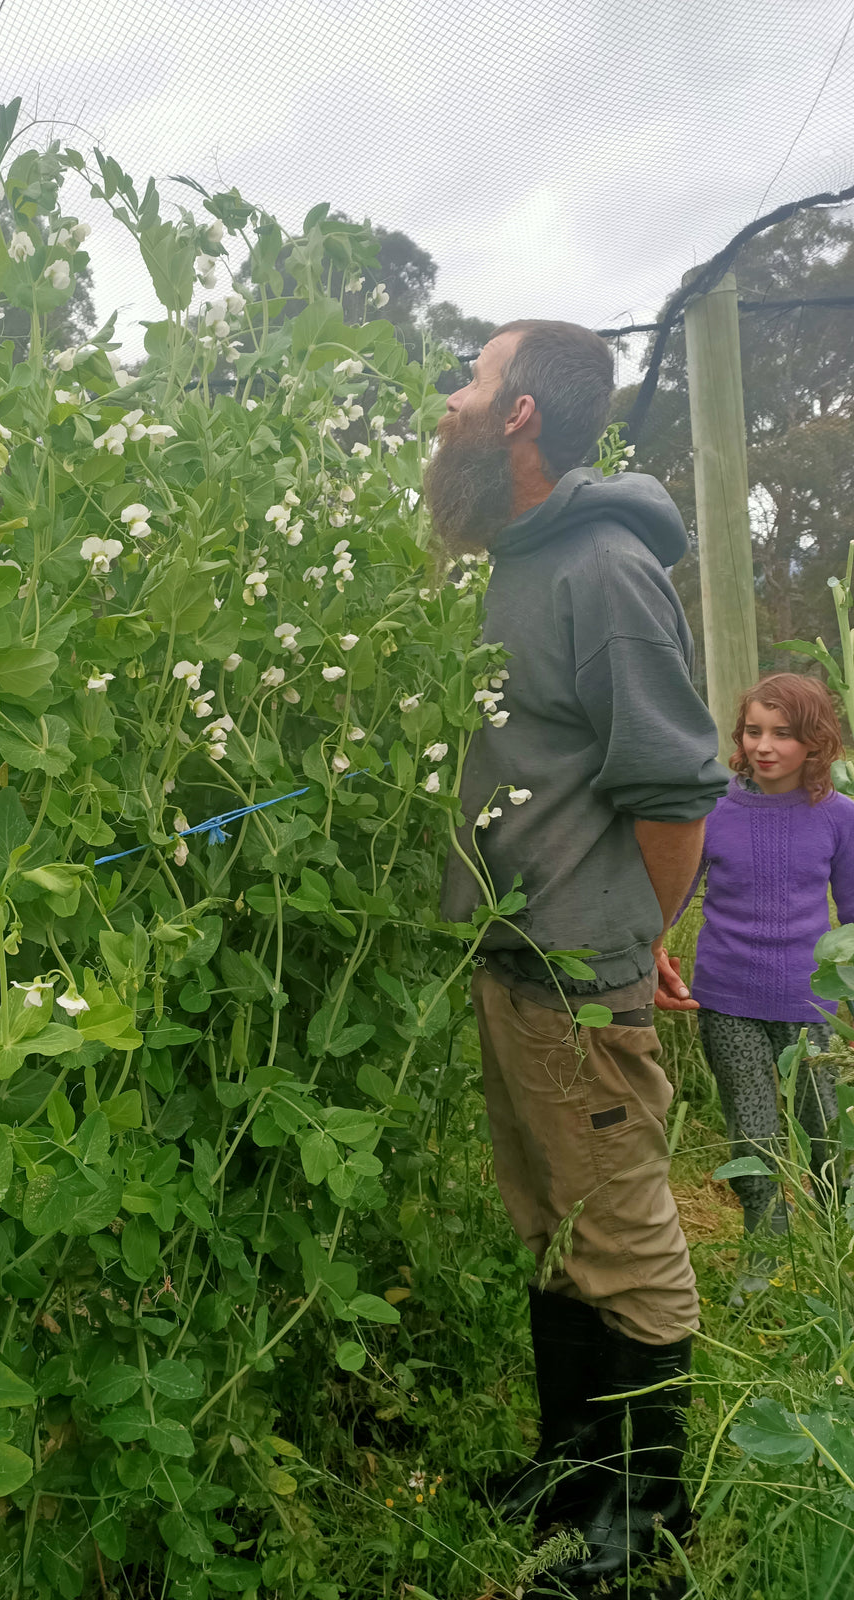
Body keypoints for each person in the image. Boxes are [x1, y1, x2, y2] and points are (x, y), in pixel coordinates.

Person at [427, 319, 729, 1586]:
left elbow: (672, 790)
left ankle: (646, 1519)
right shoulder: (511, 558)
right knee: (554, 1219)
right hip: (514, 959)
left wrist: (633, 941)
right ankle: (572, 1464)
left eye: (473, 380)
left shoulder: (602, 567)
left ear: (520, 418)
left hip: (574, 965)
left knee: (626, 1234)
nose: (450, 398)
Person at [675, 674, 853, 1288]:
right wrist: (650, 954)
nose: (764, 746)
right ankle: (765, 1242)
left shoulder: (838, 816)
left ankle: (836, 1246)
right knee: (752, 1130)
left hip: (810, 1004)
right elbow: (675, 895)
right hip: (726, 998)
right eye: (754, 731)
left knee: (826, 1131)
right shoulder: (713, 807)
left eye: (783, 733)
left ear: (816, 741)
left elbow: (853, 914)